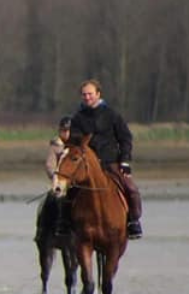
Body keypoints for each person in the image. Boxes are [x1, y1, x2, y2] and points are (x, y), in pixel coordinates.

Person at [70, 78, 143, 239]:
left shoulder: (112, 115)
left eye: (90, 94)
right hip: (87, 166)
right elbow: (74, 142)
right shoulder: (77, 118)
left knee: (131, 188)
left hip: (111, 162)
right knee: (68, 191)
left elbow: (125, 138)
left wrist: (124, 161)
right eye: (84, 95)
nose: (87, 97)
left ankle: (133, 222)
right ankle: (66, 224)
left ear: (98, 94)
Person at [40, 116, 73, 240]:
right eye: (63, 131)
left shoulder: (78, 147)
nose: (66, 134)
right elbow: (50, 164)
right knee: (50, 201)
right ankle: (44, 232)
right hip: (60, 183)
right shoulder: (56, 146)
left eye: (69, 131)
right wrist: (55, 176)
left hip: (76, 183)